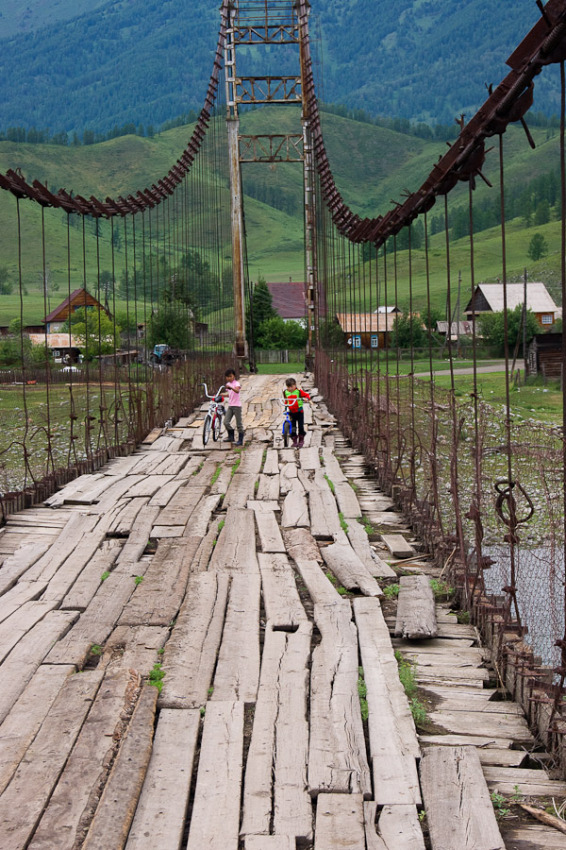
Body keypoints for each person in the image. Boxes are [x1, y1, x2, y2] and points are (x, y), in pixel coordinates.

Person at [282, 377, 310, 448]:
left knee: (300, 427)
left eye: (291, 386)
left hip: (299, 412)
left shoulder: (299, 392)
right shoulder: (286, 392)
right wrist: (285, 408)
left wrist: (306, 399)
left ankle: (301, 440)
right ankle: (294, 441)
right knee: (293, 427)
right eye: (288, 387)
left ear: (295, 385)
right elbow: (286, 401)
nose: (290, 388)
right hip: (291, 412)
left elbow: (307, 395)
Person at [223, 368, 244, 446]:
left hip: (237, 406)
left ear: (234, 376)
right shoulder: (228, 385)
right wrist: (223, 395)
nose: (229, 378)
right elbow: (230, 394)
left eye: (230, 376)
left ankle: (240, 440)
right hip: (230, 406)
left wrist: (231, 388)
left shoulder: (236, 384)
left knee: (239, 424)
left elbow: (237, 391)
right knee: (226, 422)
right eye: (227, 377)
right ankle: (231, 436)